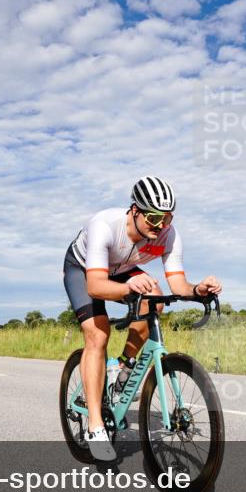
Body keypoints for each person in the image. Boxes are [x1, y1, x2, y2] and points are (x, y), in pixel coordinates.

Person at [63, 176, 222, 461]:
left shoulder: (168, 235)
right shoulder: (104, 225)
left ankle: (124, 367)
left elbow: (178, 285)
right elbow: (96, 286)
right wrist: (128, 288)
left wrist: (198, 289)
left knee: (155, 300)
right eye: (154, 217)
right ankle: (96, 425)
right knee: (98, 334)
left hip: (122, 268)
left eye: (167, 218)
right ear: (135, 210)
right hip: (84, 268)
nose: (161, 225)